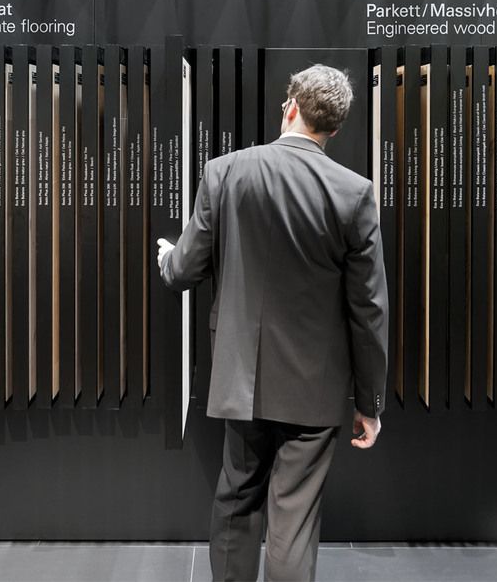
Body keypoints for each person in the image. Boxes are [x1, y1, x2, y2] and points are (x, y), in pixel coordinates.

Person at [157, 64, 389, 582]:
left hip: (243, 379)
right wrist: (369, 403)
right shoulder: (355, 194)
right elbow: (368, 308)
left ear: (290, 107)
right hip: (316, 387)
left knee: (237, 500)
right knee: (294, 519)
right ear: (333, 127)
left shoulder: (226, 171)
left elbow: (186, 270)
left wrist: (166, 258)